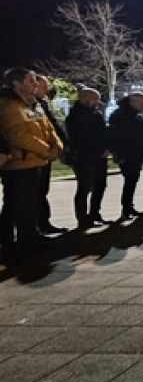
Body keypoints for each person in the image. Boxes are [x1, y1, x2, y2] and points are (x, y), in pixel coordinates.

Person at [0, 69, 62, 264]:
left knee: (30, 205)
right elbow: (17, 134)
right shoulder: (8, 105)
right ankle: (8, 247)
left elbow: (48, 128)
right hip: (19, 165)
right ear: (17, 84)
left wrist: (56, 146)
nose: (36, 84)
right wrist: (46, 150)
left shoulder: (35, 104)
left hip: (36, 162)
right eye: (31, 80)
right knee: (14, 206)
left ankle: (30, 241)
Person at [65, 87, 111, 229]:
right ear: (85, 99)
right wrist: (98, 149)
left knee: (100, 185)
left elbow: (102, 132)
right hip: (85, 157)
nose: (97, 102)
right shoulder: (75, 116)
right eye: (94, 99)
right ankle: (83, 218)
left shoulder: (95, 113)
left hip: (99, 156)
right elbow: (80, 138)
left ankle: (95, 213)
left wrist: (106, 147)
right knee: (85, 187)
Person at [32, 76, 68, 234]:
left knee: (41, 192)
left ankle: (42, 224)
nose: (46, 91)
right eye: (43, 87)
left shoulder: (41, 104)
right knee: (33, 194)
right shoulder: (27, 105)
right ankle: (34, 228)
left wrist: (59, 145)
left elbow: (51, 127)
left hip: (45, 155)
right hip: (35, 156)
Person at [108, 92, 143, 220]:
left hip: (136, 154)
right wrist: (119, 154)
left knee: (132, 181)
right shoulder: (121, 116)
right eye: (140, 103)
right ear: (132, 102)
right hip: (127, 154)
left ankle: (129, 206)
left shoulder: (137, 116)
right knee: (129, 181)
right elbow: (116, 137)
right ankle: (126, 207)